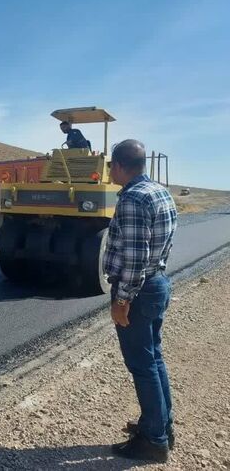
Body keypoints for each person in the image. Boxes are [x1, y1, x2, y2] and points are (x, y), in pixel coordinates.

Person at [103, 139, 178, 463]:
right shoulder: (160, 191)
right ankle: (161, 426)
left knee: (142, 364)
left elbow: (134, 258)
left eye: (110, 166)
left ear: (119, 166)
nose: (109, 171)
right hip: (157, 284)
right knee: (154, 359)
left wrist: (122, 299)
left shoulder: (133, 198)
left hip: (139, 291)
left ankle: (153, 441)